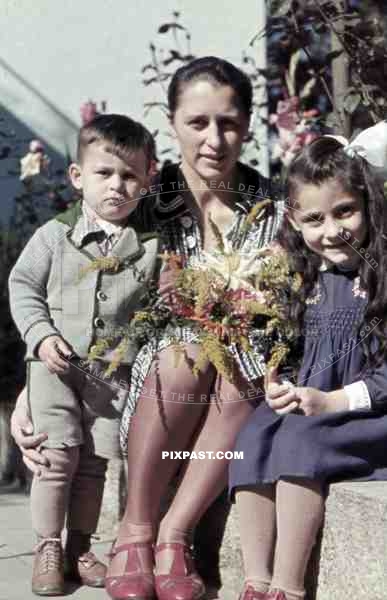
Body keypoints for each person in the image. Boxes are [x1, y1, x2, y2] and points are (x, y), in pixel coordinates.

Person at [105, 57, 284, 600]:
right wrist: (34, 381)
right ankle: (134, 529)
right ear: (171, 121)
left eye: (229, 123)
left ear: (249, 125)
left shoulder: (271, 209)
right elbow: (68, 287)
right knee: (187, 355)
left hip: (239, 376)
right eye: (198, 122)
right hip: (147, 373)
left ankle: (172, 535)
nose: (214, 140)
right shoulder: (139, 198)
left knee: (243, 365)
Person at [229, 122, 387, 600]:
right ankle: (256, 580)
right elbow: (294, 351)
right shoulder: (306, 278)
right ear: (295, 222)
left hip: (370, 415)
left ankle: (287, 586)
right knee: (254, 433)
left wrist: (333, 401)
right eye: (315, 219)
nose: (333, 231)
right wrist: (284, 385)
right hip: (316, 405)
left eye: (345, 212)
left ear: (369, 206)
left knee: (300, 434)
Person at [8, 113, 159, 596]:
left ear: (147, 178)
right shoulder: (55, 235)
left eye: (129, 175)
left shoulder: (149, 246)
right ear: (77, 177)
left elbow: (155, 306)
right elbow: (23, 286)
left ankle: (79, 546)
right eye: (104, 173)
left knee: (95, 462)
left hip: (111, 379)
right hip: (53, 368)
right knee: (56, 456)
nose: (117, 185)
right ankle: (47, 544)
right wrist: (40, 334)